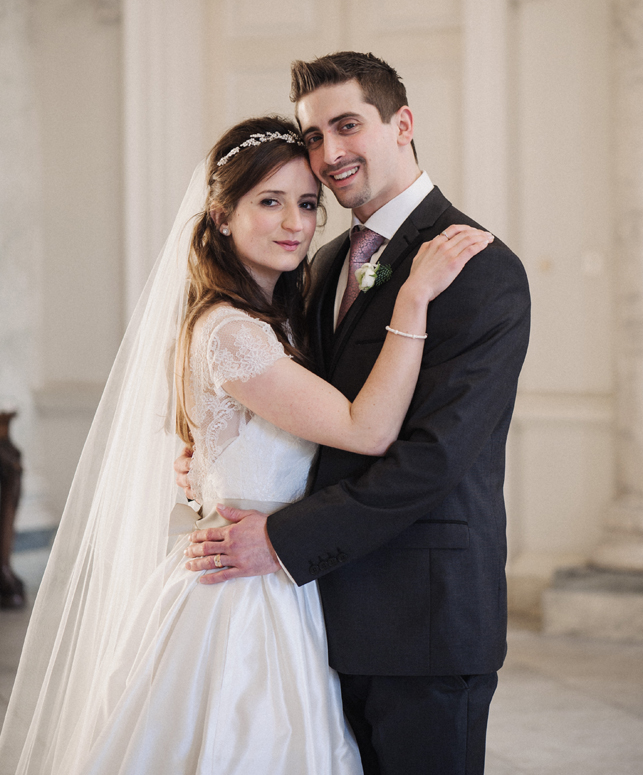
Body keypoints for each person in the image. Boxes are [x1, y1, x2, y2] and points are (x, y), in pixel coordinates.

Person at [0, 114, 491, 775]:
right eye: (269, 201)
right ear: (221, 215)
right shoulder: (232, 332)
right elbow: (366, 430)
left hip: (286, 582)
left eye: (307, 203)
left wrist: (203, 464)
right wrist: (412, 300)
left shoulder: (282, 316)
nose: (293, 221)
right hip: (239, 604)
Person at [179, 53, 531, 775]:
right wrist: (206, 465)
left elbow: (431, 457)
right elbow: (281, 409)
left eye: (347, 126)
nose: (329, 154)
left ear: (401, 124)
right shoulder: (318, 261)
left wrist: (280, 539)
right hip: (311, 618)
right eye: (314, 135)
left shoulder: (478, 267)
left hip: (421, 619)